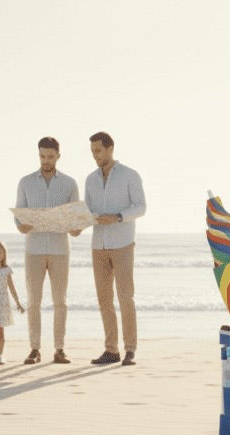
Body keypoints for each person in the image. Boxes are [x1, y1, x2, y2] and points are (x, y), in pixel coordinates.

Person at [14, 136, 81, 365]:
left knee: (60, 301)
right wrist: (24, 224)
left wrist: (74, 226)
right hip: (33, 248)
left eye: (50, 156)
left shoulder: (70, 184)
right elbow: (19, 222)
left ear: (58, 156)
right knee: (34, 301)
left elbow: (76, 225)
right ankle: (34, 349)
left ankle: (59, 349)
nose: (46, 160)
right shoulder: (25, 182)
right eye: (42, 156)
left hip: (61, 249)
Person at [84, 131, 146, 365]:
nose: (95, 156)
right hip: (97, 245)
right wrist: (79, 222)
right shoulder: (90, 179)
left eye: (98, 151)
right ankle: (111, 350)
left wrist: (118, 217)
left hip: (122, 244)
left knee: (125, 297)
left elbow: (141, 207)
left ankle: (130, 349)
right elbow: (87, 210)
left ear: (110, 148)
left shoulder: (130, 175)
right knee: (104, 299)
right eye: (92, 152)